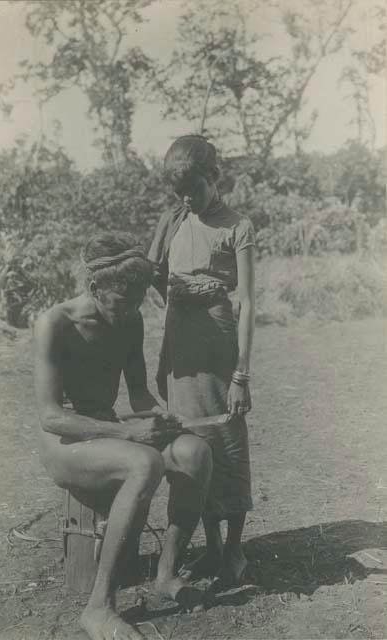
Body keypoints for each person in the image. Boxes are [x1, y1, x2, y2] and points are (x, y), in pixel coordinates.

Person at [33, 232, 212, 640]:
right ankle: (98, 608)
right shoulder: (54, 324)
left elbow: (138, 395)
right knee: (143, 462)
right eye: (121, 300)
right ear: (94, 286)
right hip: (65, 444)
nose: (129, 311)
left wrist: (164, 418)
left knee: (194, 453)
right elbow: (50, 417)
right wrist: (127, 431)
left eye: (136, 301)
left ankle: (165, 577)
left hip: (109, 429)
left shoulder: (130, 319)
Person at [149, 135, 255, 587]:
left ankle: (234, 552)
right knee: (192, 444)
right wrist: (173, 291)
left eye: (195, 188)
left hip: (217, 346)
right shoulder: (174, 220)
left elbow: (249, 302)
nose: (189, 199)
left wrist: (241, 375)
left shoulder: (237, 225)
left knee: (226, 440)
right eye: (181, 192)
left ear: (215, 177)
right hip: (181, 348)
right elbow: (150, 277)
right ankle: (210, 547)